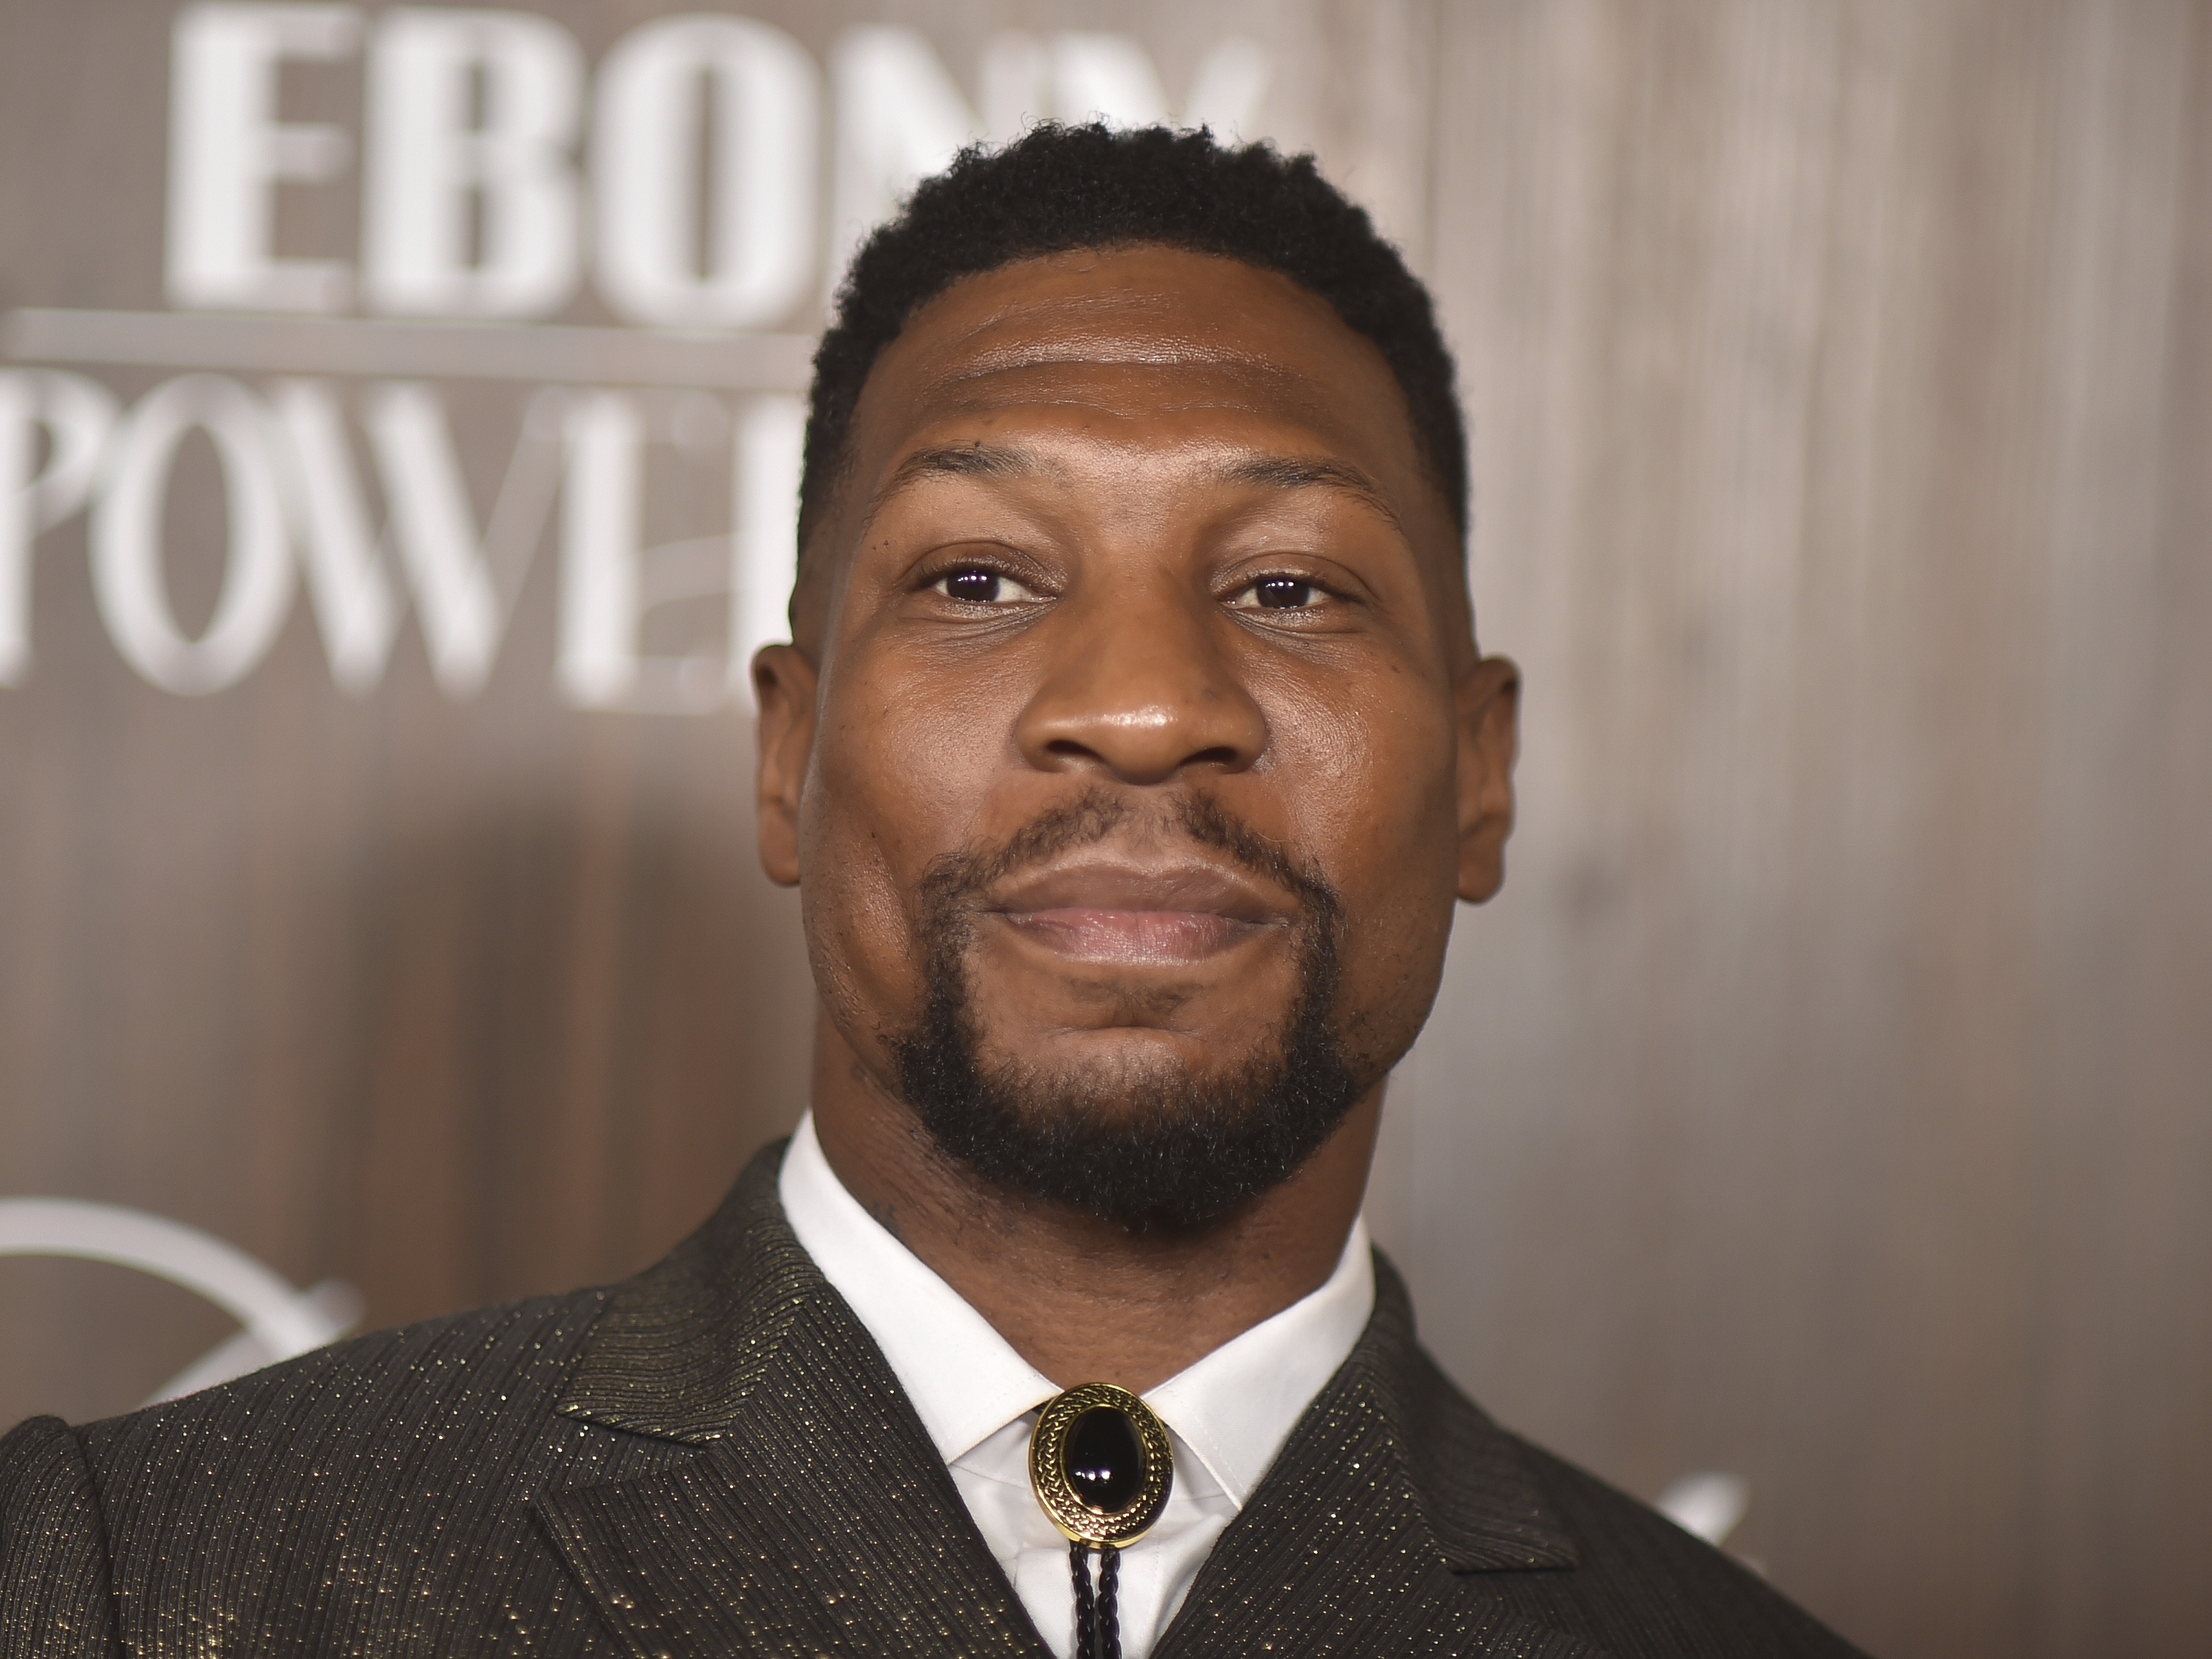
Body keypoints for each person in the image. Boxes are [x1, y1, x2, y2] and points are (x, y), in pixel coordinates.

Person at [0, 124, 1863, 1658]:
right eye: (977, 579)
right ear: (786, 754)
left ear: (1479, 774)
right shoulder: (137, 1582)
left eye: (1288, 586)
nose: (1143, 709)